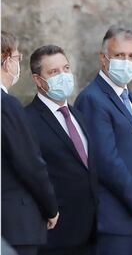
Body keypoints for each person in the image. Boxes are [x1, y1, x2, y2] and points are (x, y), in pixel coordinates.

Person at [75, 26, 132, 255]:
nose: (126, 61)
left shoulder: (131, 99)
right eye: (119, 55)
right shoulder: (93, 99)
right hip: (113, 220)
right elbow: (106, 160)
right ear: (104, 59)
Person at [25, 45, 98, 255]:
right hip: (56, 236)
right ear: (38, 80)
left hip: (92, 232)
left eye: (66, 68)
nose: (63, 75)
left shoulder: (78, 115)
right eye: (54, 72)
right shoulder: (27, 120)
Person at [1, 31, 59, 255]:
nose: (18, 64)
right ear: (5, 60)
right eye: (17, 58)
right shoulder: (7, 105)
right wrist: (51, 208)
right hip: (15, 223)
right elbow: (30, 164)